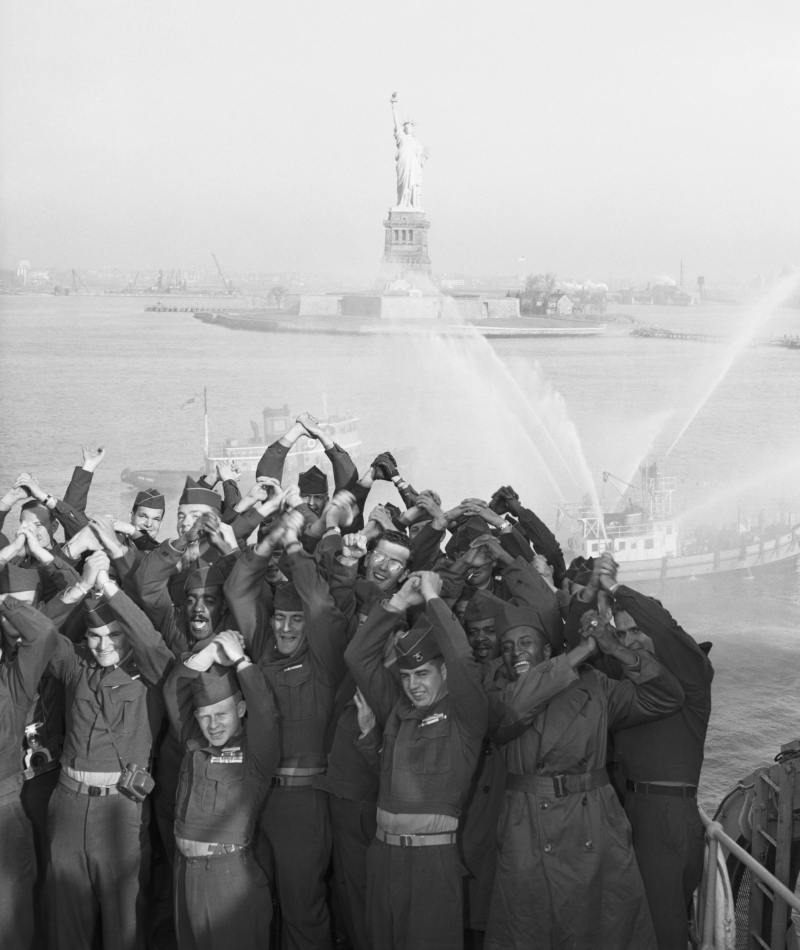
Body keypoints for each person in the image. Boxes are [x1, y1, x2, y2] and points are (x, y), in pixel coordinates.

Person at [483, 606, 686, 950]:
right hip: (528, 830)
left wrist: (613, 648)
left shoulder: (594, 684)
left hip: (593, 823)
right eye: (507, 646)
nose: (516, 652)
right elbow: (517, 710)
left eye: (526, 642)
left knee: (604, 929)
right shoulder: (496, 693)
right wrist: (582, 650)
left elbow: (667, 697)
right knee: (529, 931)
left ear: (546, 650)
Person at [345, 570, 488, 950]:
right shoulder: (398, 709)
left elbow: (462, 658)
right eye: (406, 676)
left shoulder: (466, 714)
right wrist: (397, 604)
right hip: (382, 855)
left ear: (443, 672)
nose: (413, 685)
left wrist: (432, 599)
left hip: (431, 861)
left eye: (422, 674)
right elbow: (357, 657)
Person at [228, 508, 348, 950]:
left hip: (304, 804)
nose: (284, 627)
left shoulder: (324, 663)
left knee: (302, 907)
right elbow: (238, 591)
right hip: (255, 798)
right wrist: (266, 544)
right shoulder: (265, 650)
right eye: (279, 618)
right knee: (255, 905)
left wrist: (295, 549)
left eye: (295, 621)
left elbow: (319, 605)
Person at [45, 560, 174, 950]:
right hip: (67, 805)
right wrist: (81, 587)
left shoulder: (149, 674)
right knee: (65, 920)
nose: (104, 645)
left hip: (120, 809)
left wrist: (111, 589)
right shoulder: (76, 665)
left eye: (115, 635)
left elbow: (151, 643)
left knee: (126, 922)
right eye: (95, 636)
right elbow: (38, 635)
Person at [595, 555, 713, 950]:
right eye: (622, 634)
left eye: (635, 631)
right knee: (640, 925)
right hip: (639, 810)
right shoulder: (641, 679)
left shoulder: (693, 675)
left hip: (665, 817)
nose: (628, 641)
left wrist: (614, 587)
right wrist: (600, 609)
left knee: (663, 935)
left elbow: (662, 624)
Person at [164, 630, 280, 950]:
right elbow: (173, 692)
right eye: (205, 718)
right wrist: (206, 656)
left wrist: (242, 663)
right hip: (185, 873)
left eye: (222, 715)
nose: (213, 725)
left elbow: (267, 715)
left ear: (241, 710)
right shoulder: (194, 743)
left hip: (227, 878)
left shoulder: (255, 754)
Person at [0, 579, 57, 950]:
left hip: (4, 810)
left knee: (11, 917)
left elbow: (44, 633)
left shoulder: (11, 684)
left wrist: (6, 602)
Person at [256, 412, 358, 513]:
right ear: (296, 498)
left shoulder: (335, 523)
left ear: (327, 501)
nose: (311, 503)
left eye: (318, 497)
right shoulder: (284, 525)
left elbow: (348, 477)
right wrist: (297, 430)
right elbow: (267, 478)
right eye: (305, 497)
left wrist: (320, 433)